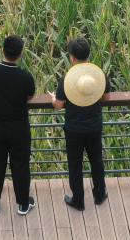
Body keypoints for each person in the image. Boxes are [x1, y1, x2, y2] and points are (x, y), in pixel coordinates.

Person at [0, 35, 37, 216]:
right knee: (20, 165)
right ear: (20, 54)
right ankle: (23, 204)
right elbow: (29, 96)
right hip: (19, 127)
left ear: (2, 50)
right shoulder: (25, 76)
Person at [50, 37, 110, 211]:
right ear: (88, 55)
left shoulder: (67, 79)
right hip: (94, 126)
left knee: (75, 165)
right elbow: (106, 97)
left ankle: (78, 200)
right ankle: (100, 195)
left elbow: (58, 105)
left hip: (74, 129)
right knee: (96, 161)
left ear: (72, 58)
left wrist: (53, 98)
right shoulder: (99, 74)